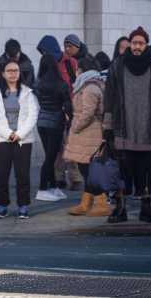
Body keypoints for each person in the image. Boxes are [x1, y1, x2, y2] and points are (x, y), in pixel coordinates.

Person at [103, 26, 151, 224]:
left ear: (146, 45)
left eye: (141, 43)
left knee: (147, 171)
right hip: (123, 128)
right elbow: (109, 96)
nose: (137, 46)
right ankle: (121, 209)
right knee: (122, 171)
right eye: (134, 43)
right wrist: (107, 126)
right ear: (130, 44)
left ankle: (146, 209)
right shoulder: (117, 65)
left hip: (148, 130)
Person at [0, 60, 39, 219]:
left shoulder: (27, 92)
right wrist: (8, 133)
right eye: (9, 71)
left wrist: (19, 134)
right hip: (1, 139)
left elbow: (33, 115)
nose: (13, 73)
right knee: (1, 175)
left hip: (23, 139)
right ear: (2, 74)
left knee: (22, 175)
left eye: (16, 70)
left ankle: (23, 206)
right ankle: (2, 205)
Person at [64, 57, 111, 217]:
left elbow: (88, 112)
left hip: (88, 133)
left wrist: (75, 126)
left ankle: (101, 203)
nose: (76, 71)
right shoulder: (91, 83)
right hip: (86, 133)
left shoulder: (90, 87)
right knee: (88, 170)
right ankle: (86, 202)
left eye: (78, 68)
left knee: (89, 170)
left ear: (82, 70)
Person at [37, 35, 83, 190]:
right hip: (55, 110)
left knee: (70, 144)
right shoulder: (47, 64)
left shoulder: (71, 62)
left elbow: (75, 85)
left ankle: (75, 177)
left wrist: (72, 108)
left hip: (69, 107)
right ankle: (58, 177)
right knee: (56, 148)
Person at [34, 54, 72, 202]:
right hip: (56, 122)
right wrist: (70, 118)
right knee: (51, 157)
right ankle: (43, 188)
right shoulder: (61, 83)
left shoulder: (38, 83)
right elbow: (67, 104)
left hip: (41, 122)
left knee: (49, 156)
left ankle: (53, 187)